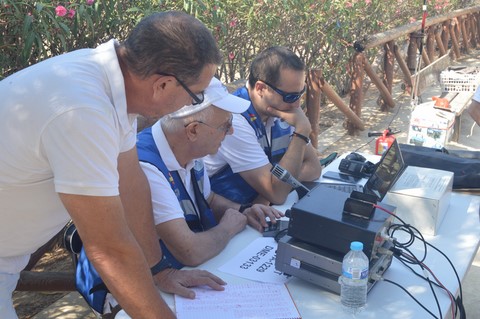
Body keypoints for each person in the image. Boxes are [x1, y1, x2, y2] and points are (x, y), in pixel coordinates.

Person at [0, 11, 226, 319]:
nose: (192, 104)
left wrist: (158, 270)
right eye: (195, 94)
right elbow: (109, 250)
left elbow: (130, 183)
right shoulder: (84, 110)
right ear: (162, 85)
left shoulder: (112, 84)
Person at [136, 78, 284, 269]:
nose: (231, 131)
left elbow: (210, 199)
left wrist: (243, 211)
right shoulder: (147, 168)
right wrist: (227, 228)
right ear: (193, 131)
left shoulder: (189, 149)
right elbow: (190, 252)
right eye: (225, 125)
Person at [204, 46, 322, 206]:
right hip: (225, 218)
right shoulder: (233, 121)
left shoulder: (282, 110)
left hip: (256, 211)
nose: (297, 105)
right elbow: (277, 195)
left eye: (301, 93)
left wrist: (276, 189)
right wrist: (301, 132)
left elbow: (314, 168)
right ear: (261, 88)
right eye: (290, 96)